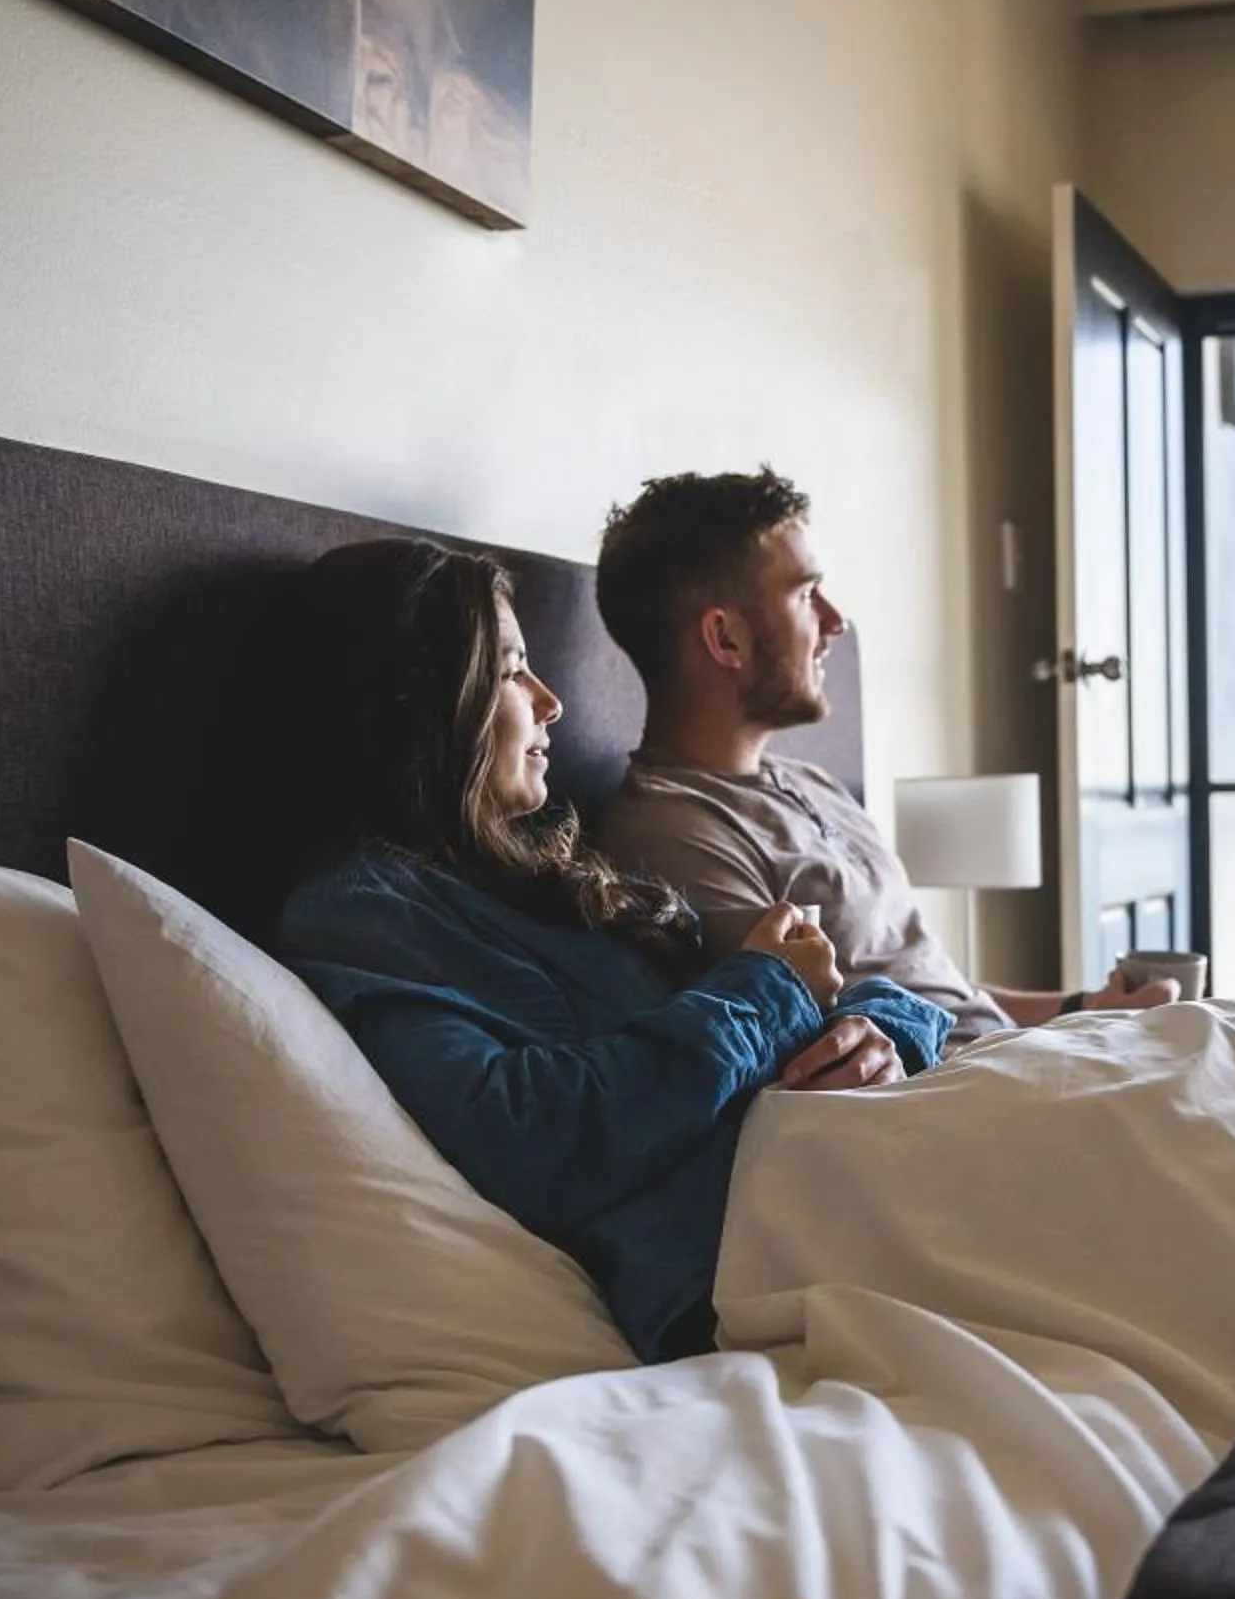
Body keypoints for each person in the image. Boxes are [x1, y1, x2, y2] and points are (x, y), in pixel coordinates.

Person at [274, 537, 953, 1362]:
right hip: (763, 1244)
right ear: (420, 701)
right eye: (513, 671)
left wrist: (888, 1038)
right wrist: (768, 989)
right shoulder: (360, 917)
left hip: (847, 1160)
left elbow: (859, 997)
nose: (551, 701)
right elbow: (522, 1136)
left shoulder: (547, 877)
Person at [588, 468, 1177, 1042]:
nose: (835, 621)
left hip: (1006, 1061)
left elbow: (930, 990)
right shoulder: (673, 836)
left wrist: (1085, 1007)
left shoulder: (811, 782)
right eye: (806, 593)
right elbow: (818, 1046)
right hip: (962, 1099)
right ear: (725, 639)